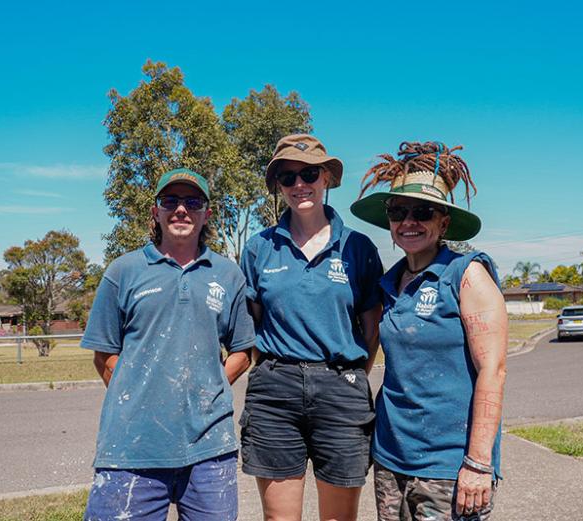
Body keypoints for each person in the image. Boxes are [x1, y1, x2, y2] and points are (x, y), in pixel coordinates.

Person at [81, 168, 255, 521]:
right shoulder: (123, 271)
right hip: (131, 449)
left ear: (207, 213)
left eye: (192, 202)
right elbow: (104, 355)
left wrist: (212, 388)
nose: (181, 210)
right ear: (155, 211)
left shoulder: (227, 274)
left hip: (210, 449)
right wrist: (137, 396)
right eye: (170, 201)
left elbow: (243, 350)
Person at [350, 141, 508, 520]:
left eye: (422, 212)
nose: (408, 222)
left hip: (449, 467)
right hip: (390, 459)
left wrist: (479, 463)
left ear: (444, 222)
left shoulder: (466, 274)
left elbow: (494, 369)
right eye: (398, 211)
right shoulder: (388, 283)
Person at [239, 134, 384, 521]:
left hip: (341, 389)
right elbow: (253, 322)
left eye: (308, 173)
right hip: (274, 392)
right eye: (288, 177)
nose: (299, 184)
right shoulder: (258, 248)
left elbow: (372, 329)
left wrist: (348, 378)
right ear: (279, 186)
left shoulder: (359, 248)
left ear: (326, 179)